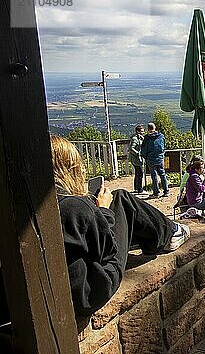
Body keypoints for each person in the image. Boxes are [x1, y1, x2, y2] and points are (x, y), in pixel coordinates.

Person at [50, 135, 189, 325]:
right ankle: (169, 233)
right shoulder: (73, 206)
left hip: (56, 292)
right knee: (121, 198)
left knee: (119, 203)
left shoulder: (46, 207)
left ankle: (161, 233)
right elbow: (107, 250)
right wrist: (103, 211)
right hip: (90, 291)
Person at [140, 123, 169, 198]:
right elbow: (164, 146)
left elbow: (143, 149)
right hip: (160, 159)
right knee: (162, 175)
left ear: (148, 129)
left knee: (154, 176)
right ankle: (166, 191)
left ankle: (156, 193)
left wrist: (145, 157)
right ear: (155, 128)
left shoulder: (147, 138)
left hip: (150, 159)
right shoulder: (161, 136)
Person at [128, 124, 145, 193]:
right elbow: (131, 148)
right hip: (136, 159)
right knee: (140, 173)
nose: (143, 132)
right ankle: (140, 189)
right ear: (138, 131)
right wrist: (138, 153)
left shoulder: (139, 138)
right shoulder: (135, 139)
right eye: (142, 131)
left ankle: (136, 188)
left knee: (138, 173)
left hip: (137, 159)